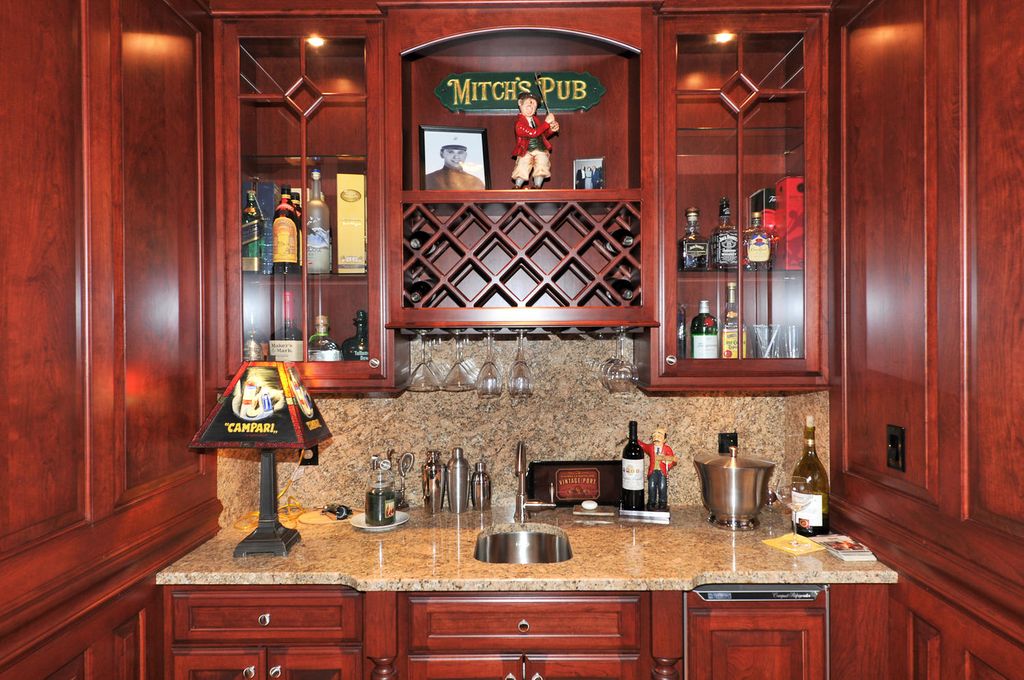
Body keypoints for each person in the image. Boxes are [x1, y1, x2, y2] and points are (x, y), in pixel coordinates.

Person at [511, 91, 559, 188]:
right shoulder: (519, 123)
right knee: (522, 165)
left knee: (542, 165)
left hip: (540, 149)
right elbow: (533, 133)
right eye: (528, 105)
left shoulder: (536, 120)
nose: (530, 109)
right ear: (520, 104)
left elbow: (542, 135)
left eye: (533, 107)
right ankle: (517, 186)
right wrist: (546, 123)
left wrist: (551, 129)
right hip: (526, 150)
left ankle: (537, 185)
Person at [639, 427, 677, 510]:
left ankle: (662, 503)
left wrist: (668, 463)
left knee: (662, 487)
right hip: (653, 471)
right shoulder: (650, 447)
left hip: (662, 472)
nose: (656, 439)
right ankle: (651, 502)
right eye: (654, 437)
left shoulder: (667, 449)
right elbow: (643, 445)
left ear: (664, 439)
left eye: (659, 437)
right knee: (651, 487)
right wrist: (633, 438)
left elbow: (672, 460)